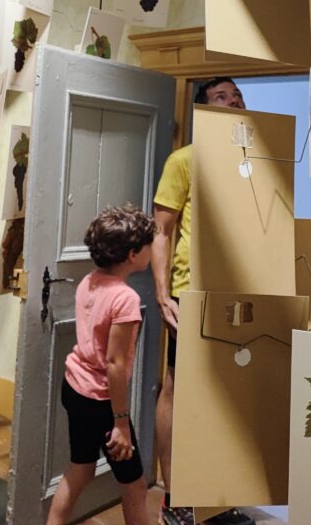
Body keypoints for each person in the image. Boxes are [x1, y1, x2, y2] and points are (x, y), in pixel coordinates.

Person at [153, 77, 246, 525]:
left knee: (229, 394)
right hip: (191, 291)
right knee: (178, 385)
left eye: (238, 95)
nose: (235, 101)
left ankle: (218, 495)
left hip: (241, 293)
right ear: (204, 110)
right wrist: (160, 293)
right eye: (222, 97)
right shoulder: (184, 159)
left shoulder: (252, 160)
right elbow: (162, 231)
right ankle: (175, 498)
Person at [47, 204, 156, 525]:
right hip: (101, 402)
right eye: (149, 245)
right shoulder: (125, 299)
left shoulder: (90, 281)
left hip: (75, 388)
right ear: (133, 254)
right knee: (134, 485)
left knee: (80, 468)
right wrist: (121, 422)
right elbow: (115, 363)